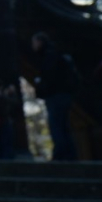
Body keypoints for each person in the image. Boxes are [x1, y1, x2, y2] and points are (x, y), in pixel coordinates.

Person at [32, 32, 79, 161]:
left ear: (40, 42)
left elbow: (50, 78)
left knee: (57, 126)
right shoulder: (56, 54)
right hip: (64, 95)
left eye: (35, 42)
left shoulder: (49, 57)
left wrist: (41, 87)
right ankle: (70, 155)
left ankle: (61, 155)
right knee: (64, 126)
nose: (33, 46)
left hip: (55, 96)